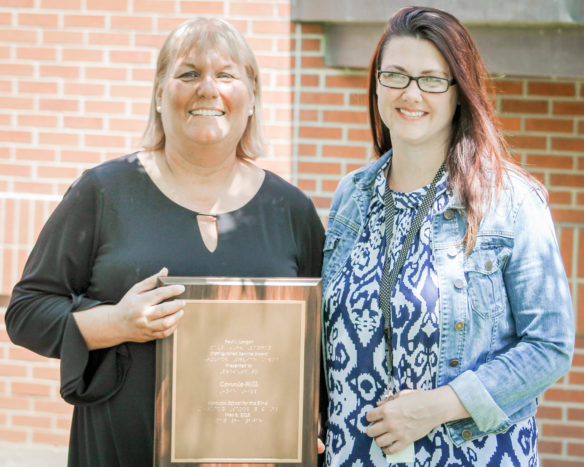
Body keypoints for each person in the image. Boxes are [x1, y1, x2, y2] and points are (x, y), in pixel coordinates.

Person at [5, 17, 325, 467]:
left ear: (251, 99)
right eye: (188, 73)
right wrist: (116, 322)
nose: (208, 89)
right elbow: (26, 312)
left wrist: (308, 423)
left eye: (226, 75)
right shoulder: (103, 192)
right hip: (120, 453)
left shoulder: (290, 210)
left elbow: (323, 346)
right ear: (159, 95)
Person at [320, 6, 574, 466]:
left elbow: (549, 345)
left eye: (432, 79)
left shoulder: (510, 202)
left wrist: (437, 409)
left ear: (460, 92)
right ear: (376, 83)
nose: (411, 93)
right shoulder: (351, 196)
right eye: (395, 75)